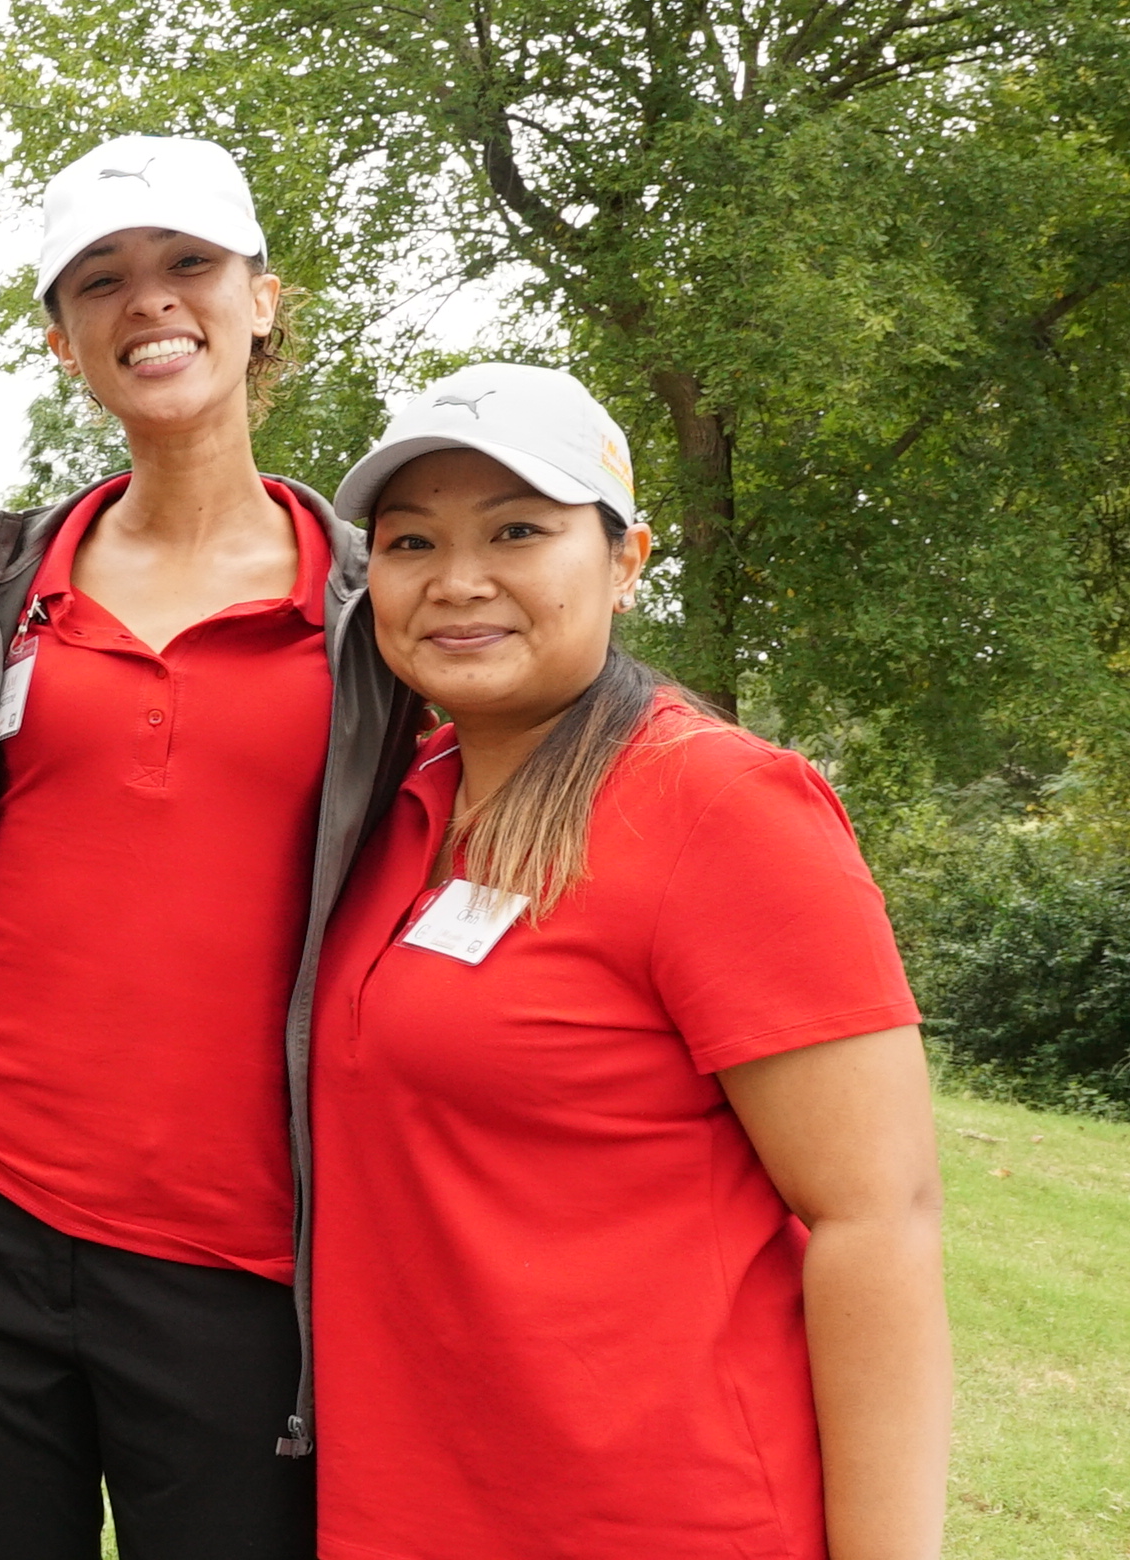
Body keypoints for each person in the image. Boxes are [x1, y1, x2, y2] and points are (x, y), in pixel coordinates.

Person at [0, 137, 417, 1559]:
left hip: (237, 1258)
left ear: (264, 300)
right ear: (63, 338)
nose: (148, 302)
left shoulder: (380, 605)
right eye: (102, 280)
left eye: (188, 266)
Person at [310, 363, 950, 1558]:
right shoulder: (399, 807)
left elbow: (878, 1219)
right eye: (409, 542)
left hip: (658, 1518)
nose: (456, 581)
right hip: (408, 1512)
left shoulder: (721, 805)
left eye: (517, 531)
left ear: (624, 559)